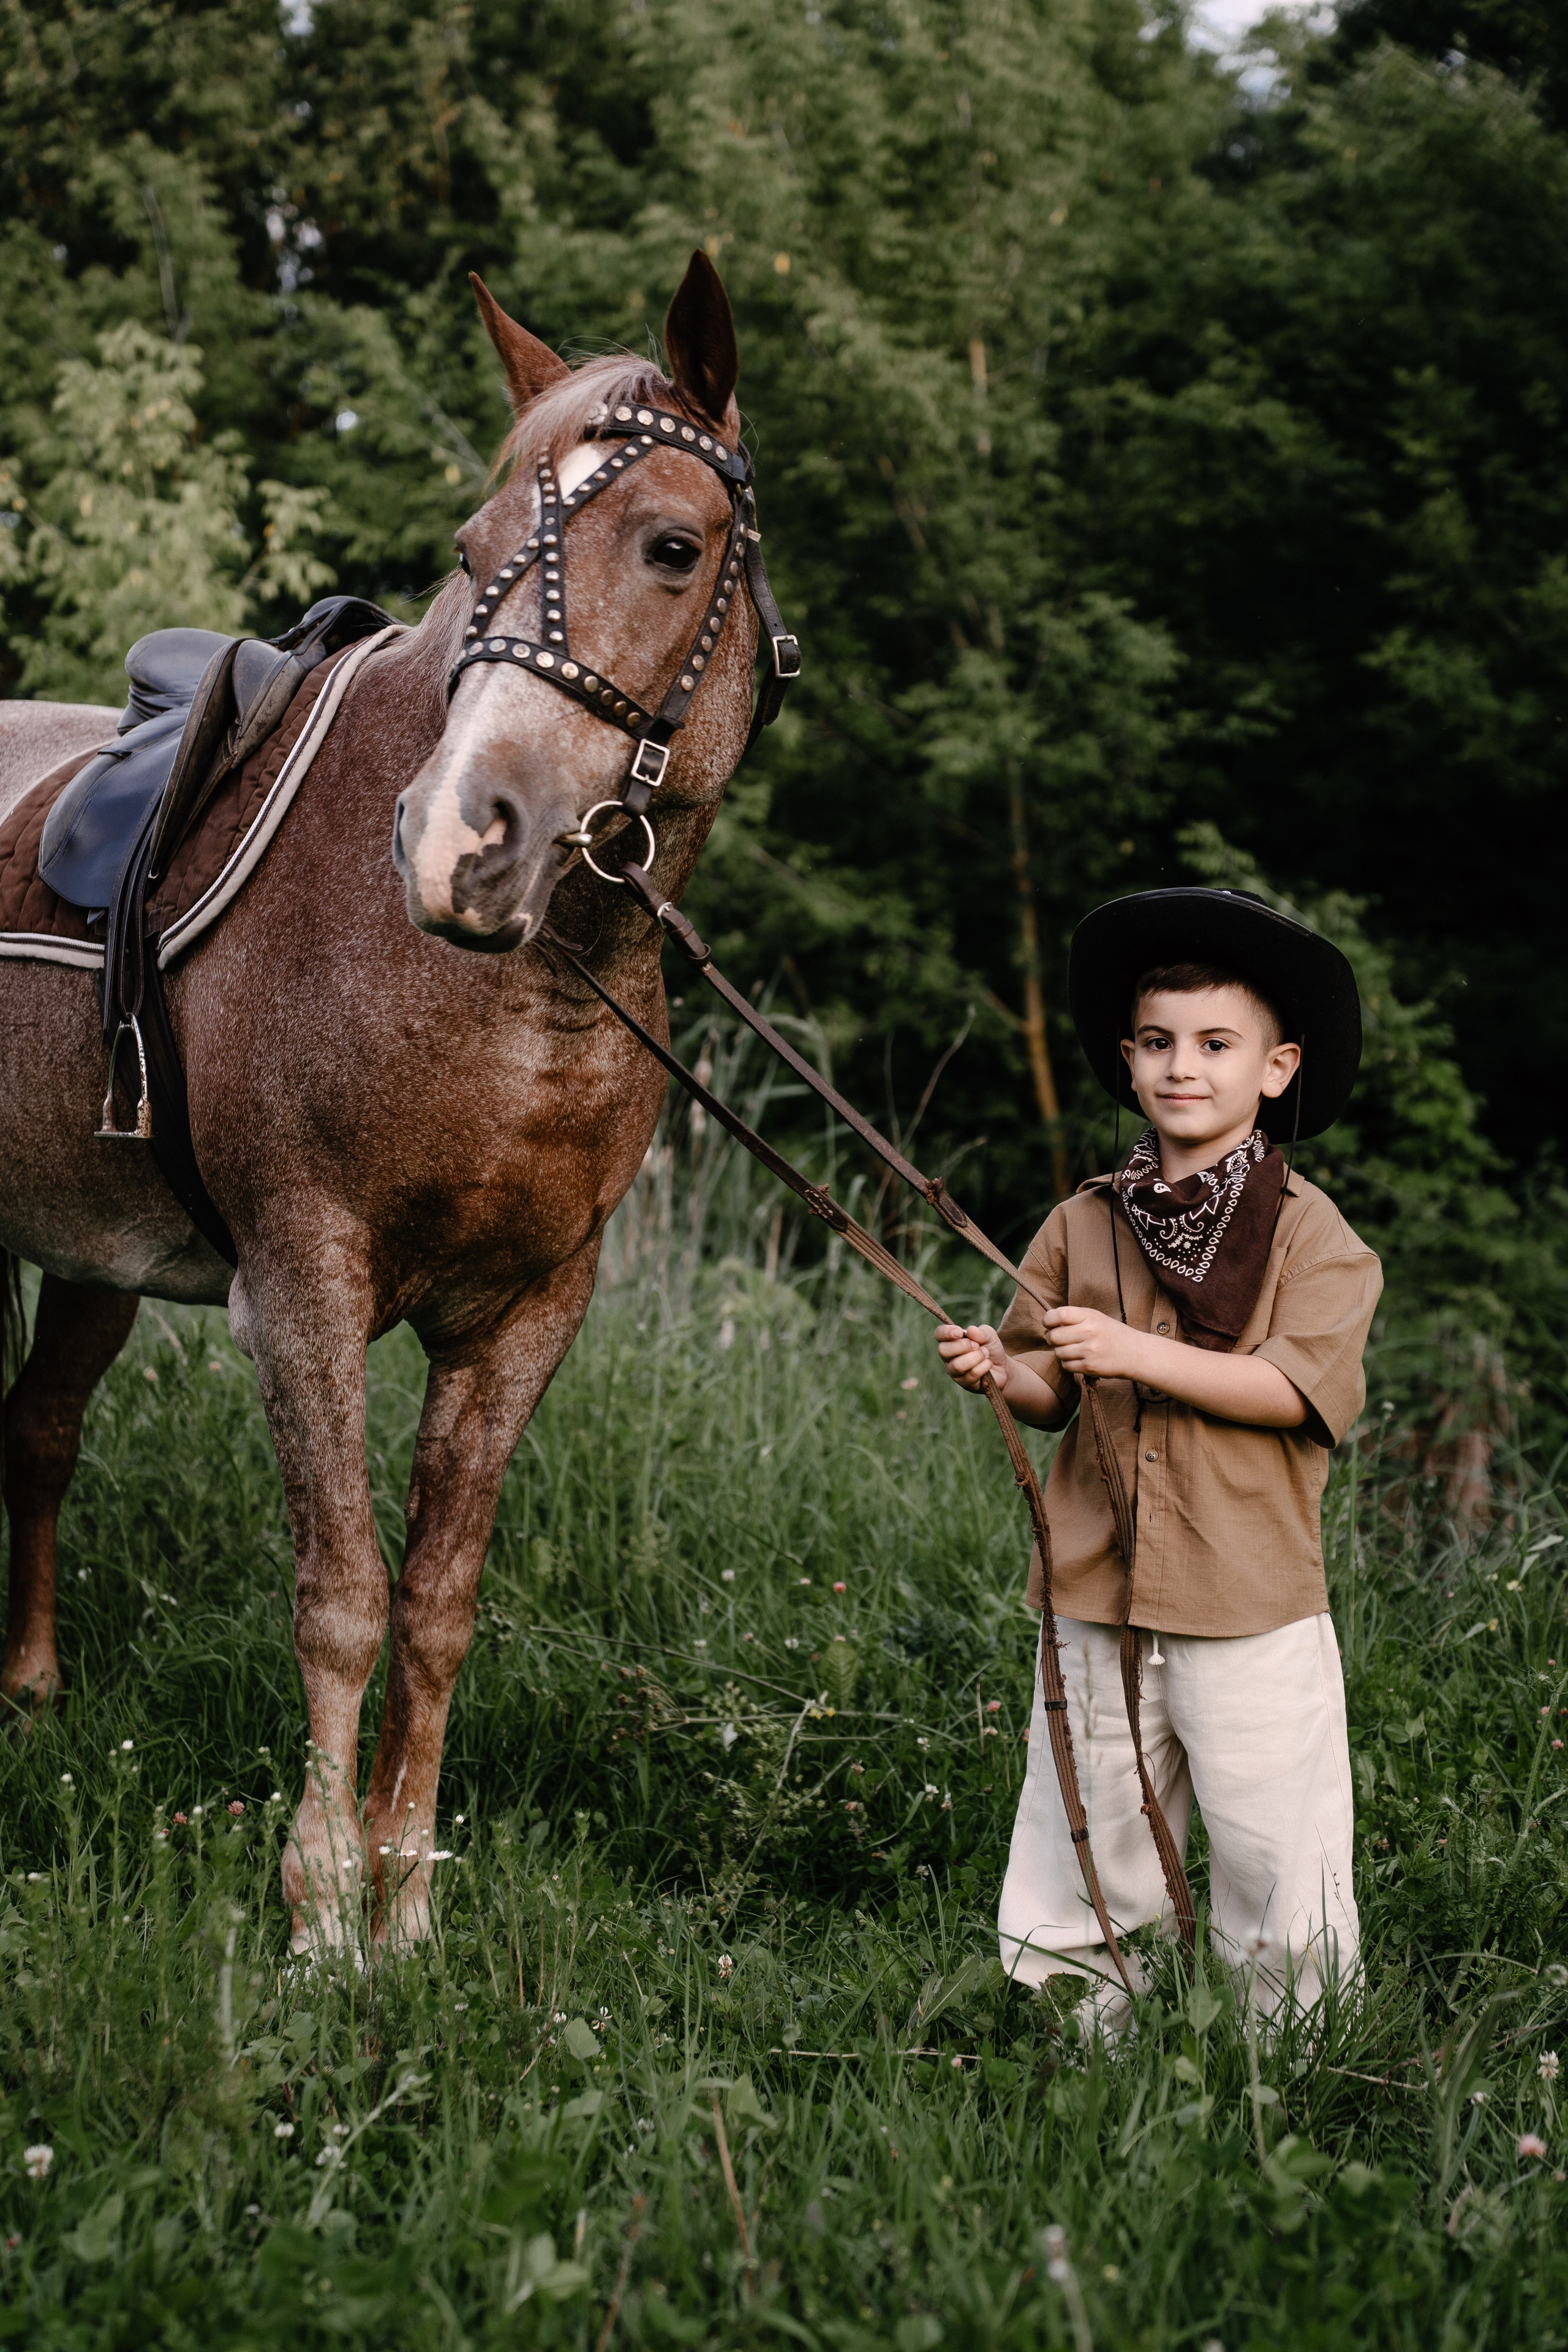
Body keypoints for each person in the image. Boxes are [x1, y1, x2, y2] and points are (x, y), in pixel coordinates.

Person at [937, 888, 1381, 2022]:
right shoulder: (1083, 1223)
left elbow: (1291, 1390)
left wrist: (1133, 1350)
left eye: (1216, 1045)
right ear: (1129, 1063)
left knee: (1274, 1840)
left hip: (1250, 1598)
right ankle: (1077, 2024)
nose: (1183, 1067)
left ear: (1276, 1070)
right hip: (1099, 1587)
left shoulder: (1312, 1236)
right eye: (1157, 1043)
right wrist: (1003, 1367)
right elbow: (1051, 1392)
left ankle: (1293, 2048)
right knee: (1086, 1822)